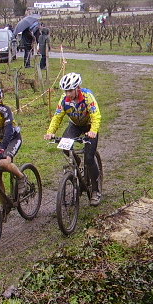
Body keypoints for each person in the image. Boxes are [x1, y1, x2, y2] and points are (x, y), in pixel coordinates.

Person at [44, 72, 102, 206]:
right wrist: (50, 132)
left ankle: (95, 190)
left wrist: (93, 131)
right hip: (75, 125)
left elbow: (96, 115)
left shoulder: (88, 97)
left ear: (77, 88)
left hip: (89, 127)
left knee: (89, 158)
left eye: (70, 90)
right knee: (64, 145)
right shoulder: (64, 100)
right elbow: (57, 116)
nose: (68, 93)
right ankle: (76, 162)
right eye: (66, 91)